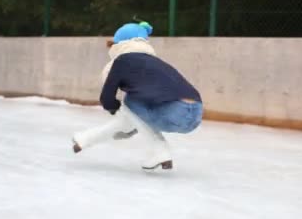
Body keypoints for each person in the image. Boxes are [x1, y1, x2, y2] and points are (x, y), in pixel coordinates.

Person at [71, 21, 203, 170]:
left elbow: (106, 99)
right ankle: (85, 139)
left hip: (174, 112)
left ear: (118, 44)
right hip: (197, 113)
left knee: (129, 104)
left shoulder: (121, 61)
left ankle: (160, 152)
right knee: (131, 113)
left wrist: (115, 109)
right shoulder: (156, 62)